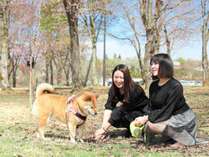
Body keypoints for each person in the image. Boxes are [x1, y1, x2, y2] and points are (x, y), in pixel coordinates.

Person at [132, 53, 197, 147]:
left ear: (165, 65)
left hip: (183, 118)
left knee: (152, 125)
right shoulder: (153, 85)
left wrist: (147, 119)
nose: (152, 66)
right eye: (151, 64)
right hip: (166, 116)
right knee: (149, 129)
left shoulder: (175, 86)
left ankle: (187, 140)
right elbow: (151, 107)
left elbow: (167, 110)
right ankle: (172, 137)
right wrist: (142, 117)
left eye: (156, 63)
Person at [95, 64, 149, 140]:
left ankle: (142, 129)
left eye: (121, 78)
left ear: (127, 78)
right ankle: (131, 129)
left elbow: (122, 110)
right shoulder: (113, 89)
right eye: (116, 77)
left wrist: (103, 130)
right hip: (130, 112)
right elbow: (108, 107)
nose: (118, 80)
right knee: (113, 116)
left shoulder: (135, 90)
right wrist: (103, 129)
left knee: (116, 114)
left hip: (143, 114)